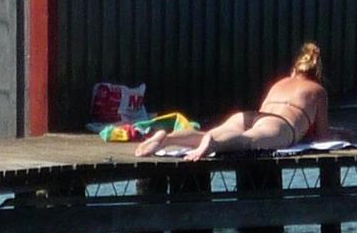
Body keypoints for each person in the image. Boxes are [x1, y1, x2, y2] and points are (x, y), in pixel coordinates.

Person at [138, 42, 336, 160]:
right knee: (247, 141)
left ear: (294, 70)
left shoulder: (281, 82)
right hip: (281, 124)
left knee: (206, 134)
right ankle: (214, 144)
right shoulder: (318, 91)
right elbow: (323, 135)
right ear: (317, 75)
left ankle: (166, 139)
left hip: (252, 116)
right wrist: (341, 134)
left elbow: (263, 113)